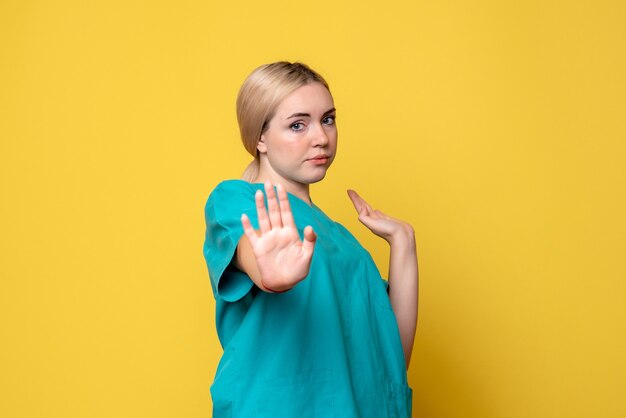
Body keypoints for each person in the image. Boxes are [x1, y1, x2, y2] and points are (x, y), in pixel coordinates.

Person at [203, 61, 419, 417]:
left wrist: (404, 244)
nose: (321, 137)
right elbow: (251, 252)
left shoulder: (345, 245)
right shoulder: (238, 199)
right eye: (297, 125)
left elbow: (392, 358)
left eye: (328, 119)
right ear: (260, 138)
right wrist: (266, 272)